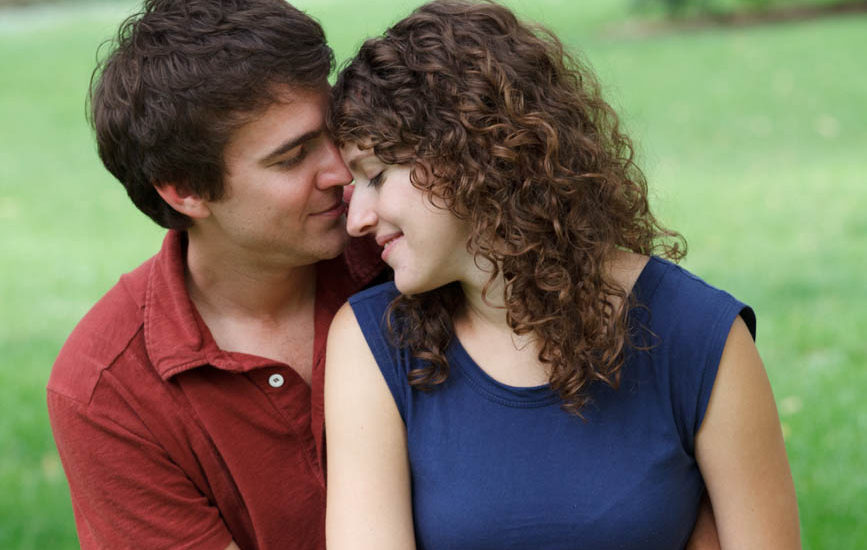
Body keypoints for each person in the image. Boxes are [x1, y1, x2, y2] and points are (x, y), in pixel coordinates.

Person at [324, 1, 801, 549]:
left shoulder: (698, 338)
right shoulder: (375, 344)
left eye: (377, 176)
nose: (356, 219)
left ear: (470, 152)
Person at [46, 1, 384, 548]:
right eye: (292, 157)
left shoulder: (405, 254)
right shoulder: (106, 390)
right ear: (185, 190)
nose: (344, 172)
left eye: (335, 131)